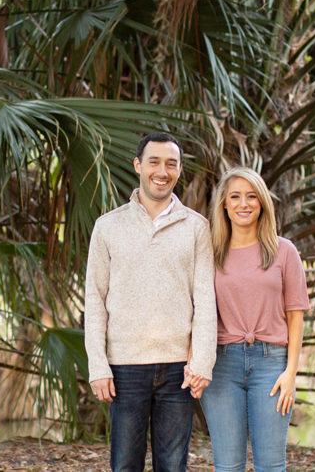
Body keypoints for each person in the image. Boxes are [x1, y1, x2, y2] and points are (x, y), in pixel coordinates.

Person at [84, 131, 217, 472]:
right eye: (154, 162)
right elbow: (95, 301)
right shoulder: (108, 226)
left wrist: (202, 361)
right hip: (124, 367)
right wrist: (98, 365)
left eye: (171, 164)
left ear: (179, 169)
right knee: (125, 465)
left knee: (173, 467)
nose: (163, 171)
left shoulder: (196, 228)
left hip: (178, 370)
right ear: (138, 165)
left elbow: (204, 299)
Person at [195, 166, 310, 472]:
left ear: (262, 203)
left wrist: (291, 373)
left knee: (271, 466)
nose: (243, 204)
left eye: (251, 196)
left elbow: (295, 316)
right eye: (235, 196)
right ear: (224, 204)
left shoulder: (283, 251)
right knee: (228, 466)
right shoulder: (210, 253)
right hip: (221, 366)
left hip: (271, 365)